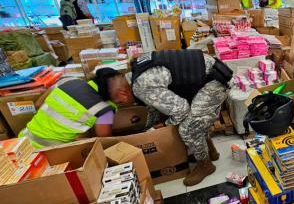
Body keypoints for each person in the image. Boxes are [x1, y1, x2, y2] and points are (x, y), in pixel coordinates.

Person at [131, 49, 233, 186]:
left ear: (121, 93)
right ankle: (210, 151)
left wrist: (165, 125)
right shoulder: (137, 71)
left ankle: (205, 165)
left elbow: (181, 110)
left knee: (188, 128)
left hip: (214, 81)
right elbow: (153, 106)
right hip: (208, 74)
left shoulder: (140, 86)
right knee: (196, 119)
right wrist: (148, 128)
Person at [21, 68, 134, 148]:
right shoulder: (104, 110)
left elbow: (38, 104)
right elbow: (105, 141)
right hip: (50, 150)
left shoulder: (67, 81)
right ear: (122, 93)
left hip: (24, 140)